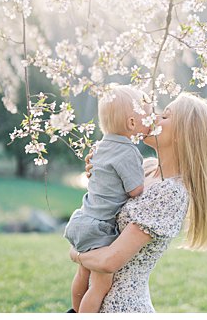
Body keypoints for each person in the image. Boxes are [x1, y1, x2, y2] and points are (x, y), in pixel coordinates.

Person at [69, 93, 207, 313]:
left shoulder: (171, 193)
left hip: (121, 308)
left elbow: (109, 261)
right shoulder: (146, 169)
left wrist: (77, 254)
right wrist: (101, 172)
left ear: (183, 134)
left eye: (165, 116)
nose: (153, 118)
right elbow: (102, 208)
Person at [63, 85, 150, 313]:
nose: (151, 119)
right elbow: (134, 190)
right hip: (100, 227)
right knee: (101, 284)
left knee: (83, 272)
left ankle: (74, 310)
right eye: (147, 115)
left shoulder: (99, 146)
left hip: (82, 218)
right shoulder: (129, 152)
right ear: (132, 123)